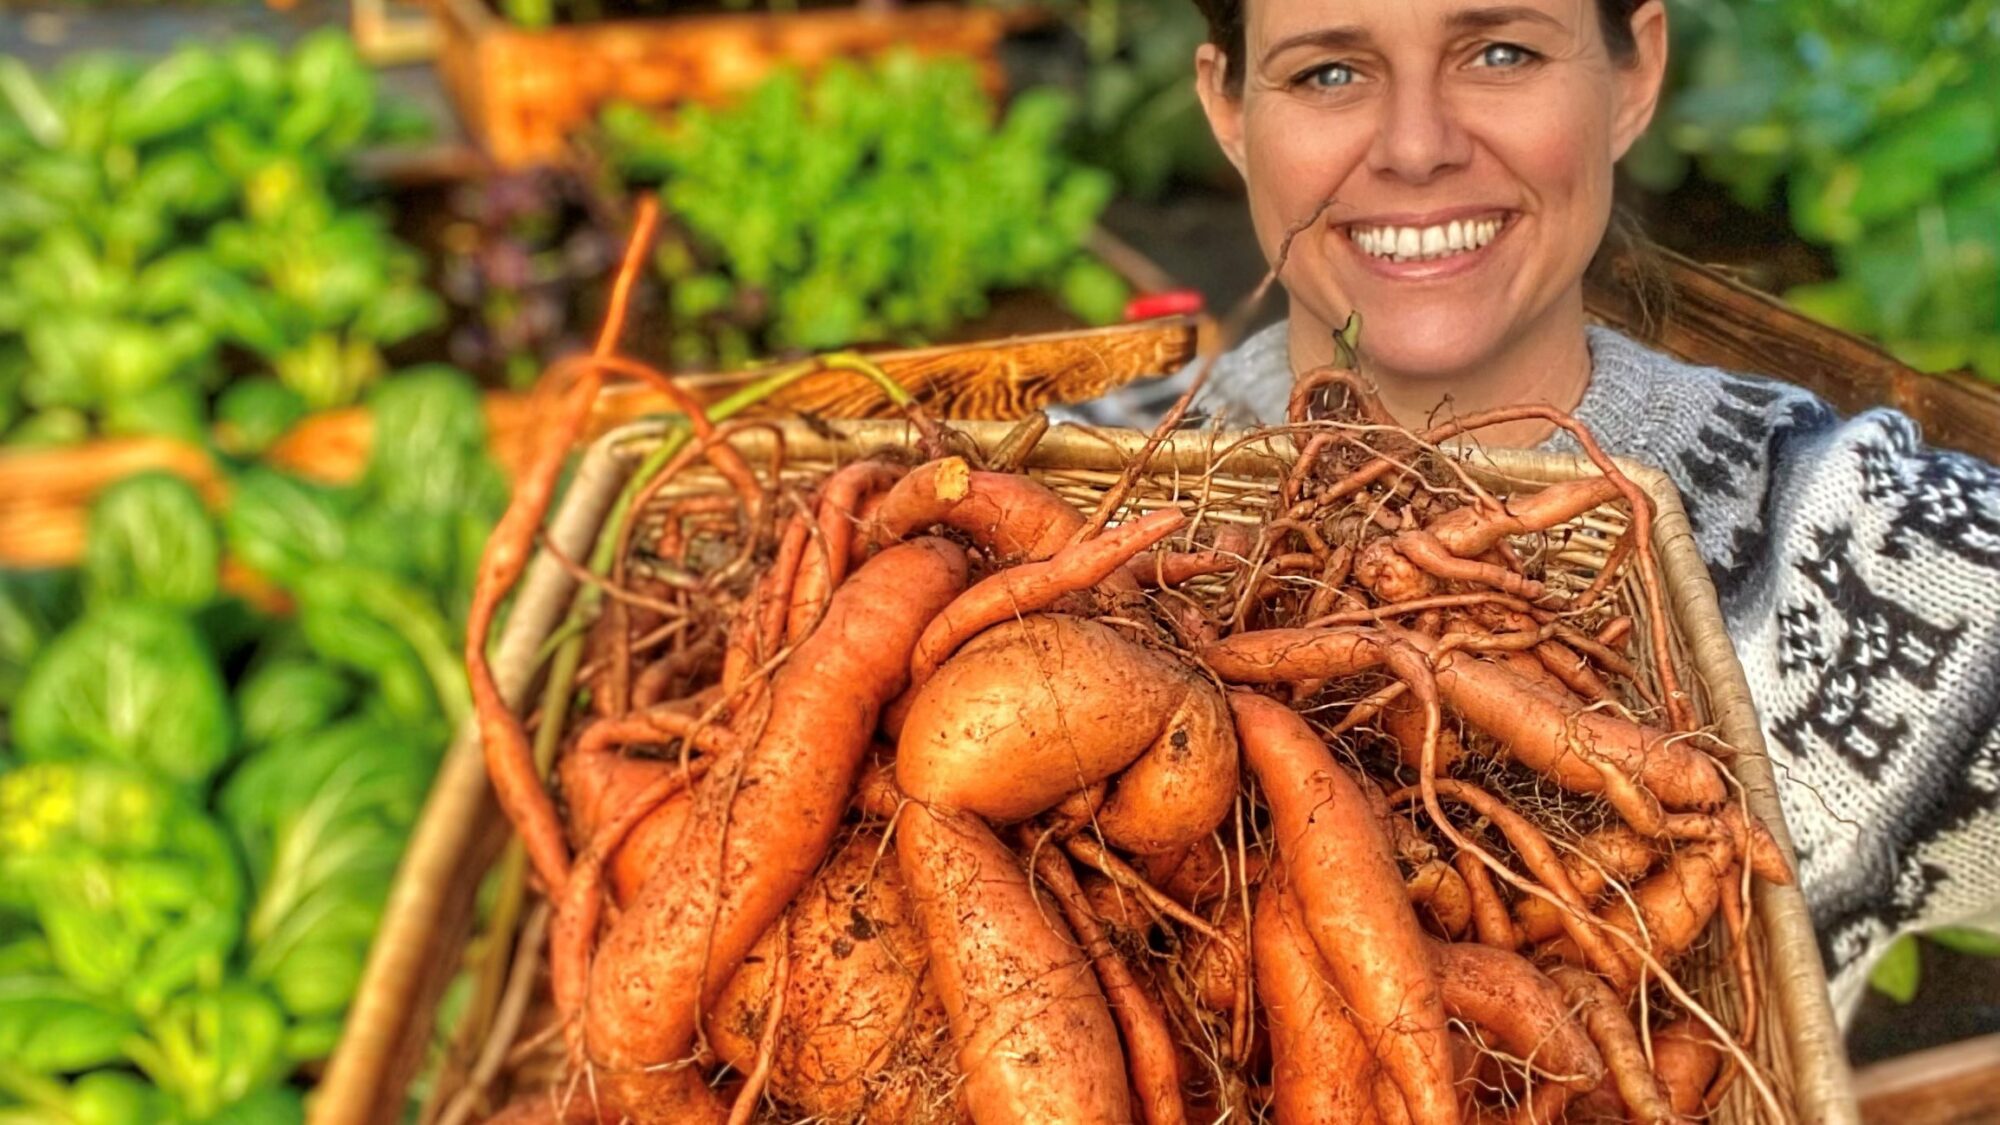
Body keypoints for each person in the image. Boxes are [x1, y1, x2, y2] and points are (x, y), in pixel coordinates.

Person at [1062, 0, 2000, 1018]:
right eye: (1328, 73)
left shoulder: (1854, 548)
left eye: (1498, 52)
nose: (1415, 147)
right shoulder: (1051, 495)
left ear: (1632, 74)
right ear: (1227, 107)